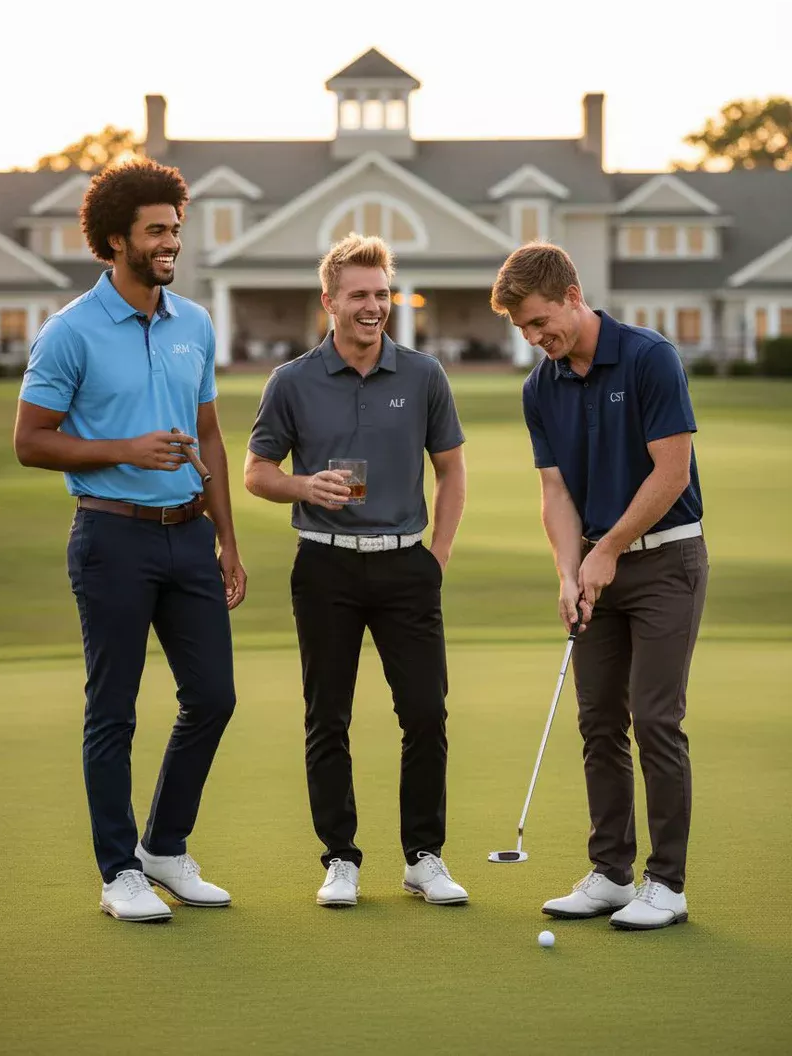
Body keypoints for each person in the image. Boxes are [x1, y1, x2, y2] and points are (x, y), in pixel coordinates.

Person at [14, 160, 246, 923]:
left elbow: (210, 435)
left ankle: (164, 849)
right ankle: (119, 872)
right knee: (113, 710)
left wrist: (228, 540)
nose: (171, 242)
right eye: (156, 231)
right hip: (110, 537)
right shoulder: (70, 331)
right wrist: (124, 449)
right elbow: (30, 440)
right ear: (116, 240)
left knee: (213, 696)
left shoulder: (195, 323)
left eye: (175, 228)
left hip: (188, 537)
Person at [244, 234, 468, 907]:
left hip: (406, 566)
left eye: (382, 294)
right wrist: (303, 486)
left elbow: (451, 469)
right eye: (359, 295)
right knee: (327, 717)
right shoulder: (292, 381)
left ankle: (424, 857)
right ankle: (340, 859)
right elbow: (256, 472)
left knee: (425, 713)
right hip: (325, 567)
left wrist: (437, 556)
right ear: (330, 301)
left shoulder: (424, 375)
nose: (373, 306)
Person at [491, 243, 708, 930]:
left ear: (572, 295)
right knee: (599, 722)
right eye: (522, 328)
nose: (534, 337)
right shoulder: (540, 387)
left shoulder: (649, 357)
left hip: (666, 560)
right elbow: (555, 490)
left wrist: (608, 548)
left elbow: (671, 472)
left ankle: (666, 885)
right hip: (593, 571)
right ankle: (612, 874)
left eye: (539, 321)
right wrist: (568, 570)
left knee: (656, 718)